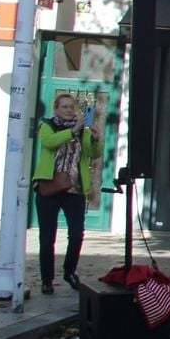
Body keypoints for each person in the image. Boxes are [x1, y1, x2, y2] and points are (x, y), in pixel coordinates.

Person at [33, 93, 102, 294]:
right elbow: (49, 142)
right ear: (56, 108)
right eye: (64, 106)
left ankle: (69, 271)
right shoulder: (47, 125)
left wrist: (95, 139)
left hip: (74, 188)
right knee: (47, 236)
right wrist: (72, 130)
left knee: (77, 234)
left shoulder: (82, 130)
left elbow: (93, 154)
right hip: (49, 187)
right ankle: (47, 279)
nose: (69, 110)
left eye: (72, 106)